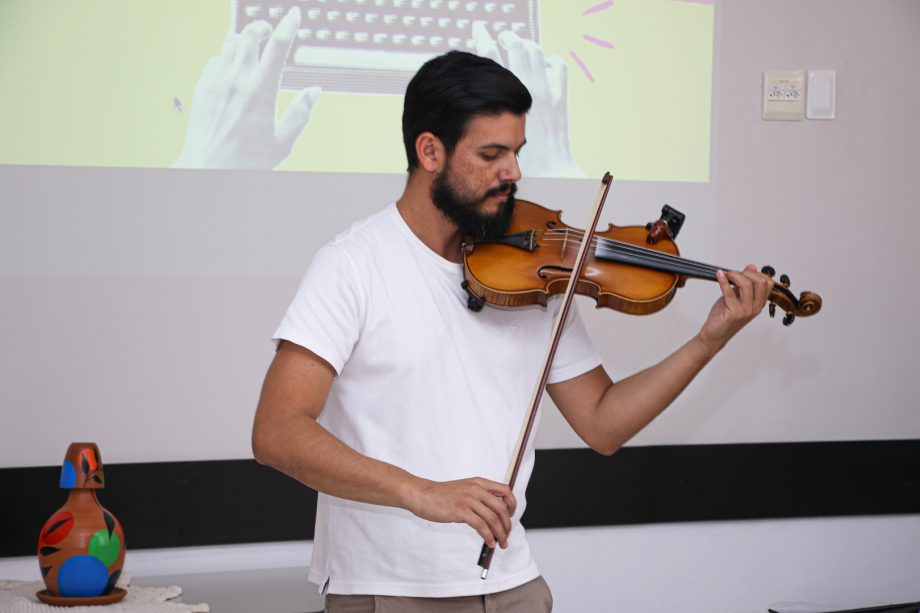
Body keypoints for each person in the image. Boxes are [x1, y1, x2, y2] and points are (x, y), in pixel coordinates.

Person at [252, 51, 773, 612]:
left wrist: (708, 340)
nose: (514, 173)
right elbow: (277, 432)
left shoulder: (533, 274)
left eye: (517, 153)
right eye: (491, 154)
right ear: (430, 152)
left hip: (512, 585)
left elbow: (603, 423)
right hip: (390, 588)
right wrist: (421, 492)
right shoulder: (352, 265)